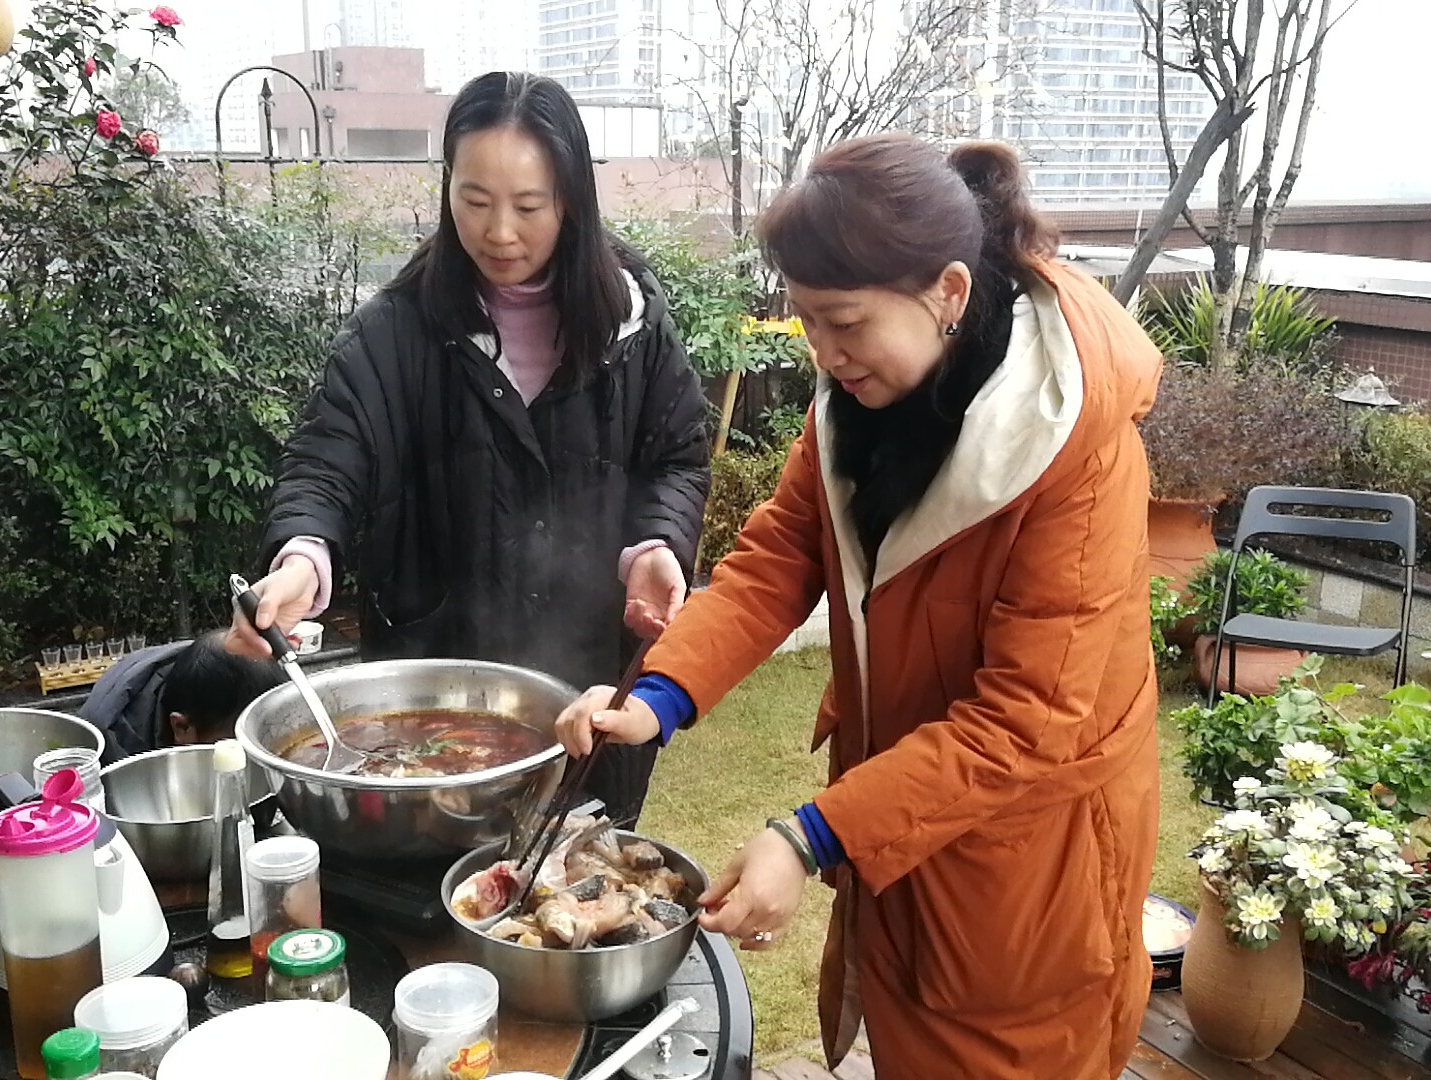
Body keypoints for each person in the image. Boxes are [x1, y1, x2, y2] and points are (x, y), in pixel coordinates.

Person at [554, 133, 1163, 1077]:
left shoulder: (1072, 451)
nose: (825, 353)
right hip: (903, 806)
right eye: (806, 321)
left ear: (948, 292)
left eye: (844, 322)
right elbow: (774, 562)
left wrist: (810, 837)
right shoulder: (854, 403)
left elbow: (1028, 720)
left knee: (1007, 1041)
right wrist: (655, 697)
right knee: (909, 1024)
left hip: (1032, 861)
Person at [230, 72, 710, 826]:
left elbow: (676, 456)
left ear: (572, 201)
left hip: (589, 687)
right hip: (431, 688)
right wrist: (303, 557)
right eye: (475, 200)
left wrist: (654, 545)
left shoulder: (632, 323)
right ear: (447, 185)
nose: (499, 232)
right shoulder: (396, 331)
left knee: (574, 878)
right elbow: (328, 459)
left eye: (529, 206)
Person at [80, 630, 285, 762]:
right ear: (182, 727)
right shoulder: (109, 750)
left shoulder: (207, 669)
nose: (261, 759)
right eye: (244, 751)